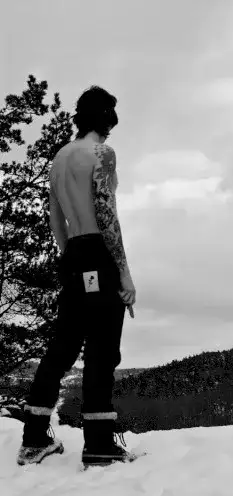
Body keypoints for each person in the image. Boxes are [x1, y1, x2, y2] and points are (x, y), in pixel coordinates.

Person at [16, 86, 138, 468]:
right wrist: (123, 273)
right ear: (106, 120)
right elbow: (106, 212)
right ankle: (99, 444)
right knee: (103, 349)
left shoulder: (59, 158)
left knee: (63, 346)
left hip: (72, 254)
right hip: (99, 252)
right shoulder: (102, 154)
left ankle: (34, 438)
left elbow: (56, 220)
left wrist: (73, 257)